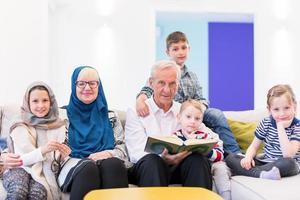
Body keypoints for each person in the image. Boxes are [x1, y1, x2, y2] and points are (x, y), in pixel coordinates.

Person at [136, 31, 241, 155]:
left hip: (195, 112)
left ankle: (234, 153)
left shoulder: (192, 76)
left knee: (216, 114)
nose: (180, 52)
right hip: (180, 113)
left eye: (183, 48)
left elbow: (201, 98)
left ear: (189, 49)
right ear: (167, 52)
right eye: (175, 49)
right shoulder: (162, 71)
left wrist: (199, 109)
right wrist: (140, 99)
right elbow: (149, 88)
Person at [125, 60, 212, 188]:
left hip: (178, 166)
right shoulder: (136, 111)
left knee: (198, 160)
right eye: (161, 83)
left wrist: (203, 143)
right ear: (151, 83)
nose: (167, 90)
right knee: (153, 160)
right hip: (148, 168)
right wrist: (162, 157)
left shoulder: (184, 111)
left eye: (172, 84)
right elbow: (135, 152)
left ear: (178, 85)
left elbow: (209, 135)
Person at [58, 66, 129, 200]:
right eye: (81, 83)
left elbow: (122, 148)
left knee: (114, 164)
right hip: (74, 164)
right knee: (88, 168)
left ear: (99, 86)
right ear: (74, 85)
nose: (87, 88)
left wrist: (108, 153)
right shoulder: (62, 115)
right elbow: (58, 150)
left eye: (92, 83)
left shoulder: (110, 116)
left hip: (105, 161)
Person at [3, 81, 70, 200]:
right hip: (19, 168)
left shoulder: (59, 125)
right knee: (18, 189)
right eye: (35, 101)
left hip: (42, 173)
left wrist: (63, 156)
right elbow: (21, 160)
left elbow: (55, 161)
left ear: (51, 102)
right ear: (28, 103)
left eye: (45, 100)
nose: (40, 105)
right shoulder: (19, 124)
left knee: (38, 193)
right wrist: (44, 150)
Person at [225, 84, 300, 180]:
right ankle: (262, 174)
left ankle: (250, 172)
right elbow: (254, 146)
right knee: (230, 158)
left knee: (289, 163)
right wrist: (248, 157)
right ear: (269, 110)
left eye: (287, 108)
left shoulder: (297, 126)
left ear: (294, 106)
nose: (282, 114)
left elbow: (288, 154)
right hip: (266, 162)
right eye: (276, 109)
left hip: (285, 164)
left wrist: (280, 127)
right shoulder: (266, 122)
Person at [174, 99, 231, 200]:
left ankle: (226, 197)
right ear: (179, 117)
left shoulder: (207, 135)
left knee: (221, 168)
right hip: (187, 167)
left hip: (211, 164)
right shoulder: (176, 136)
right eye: (188, 117)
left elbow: (220, 155)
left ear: (201, 120)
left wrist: (204, 149)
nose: (192, 121)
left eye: (197, 118)